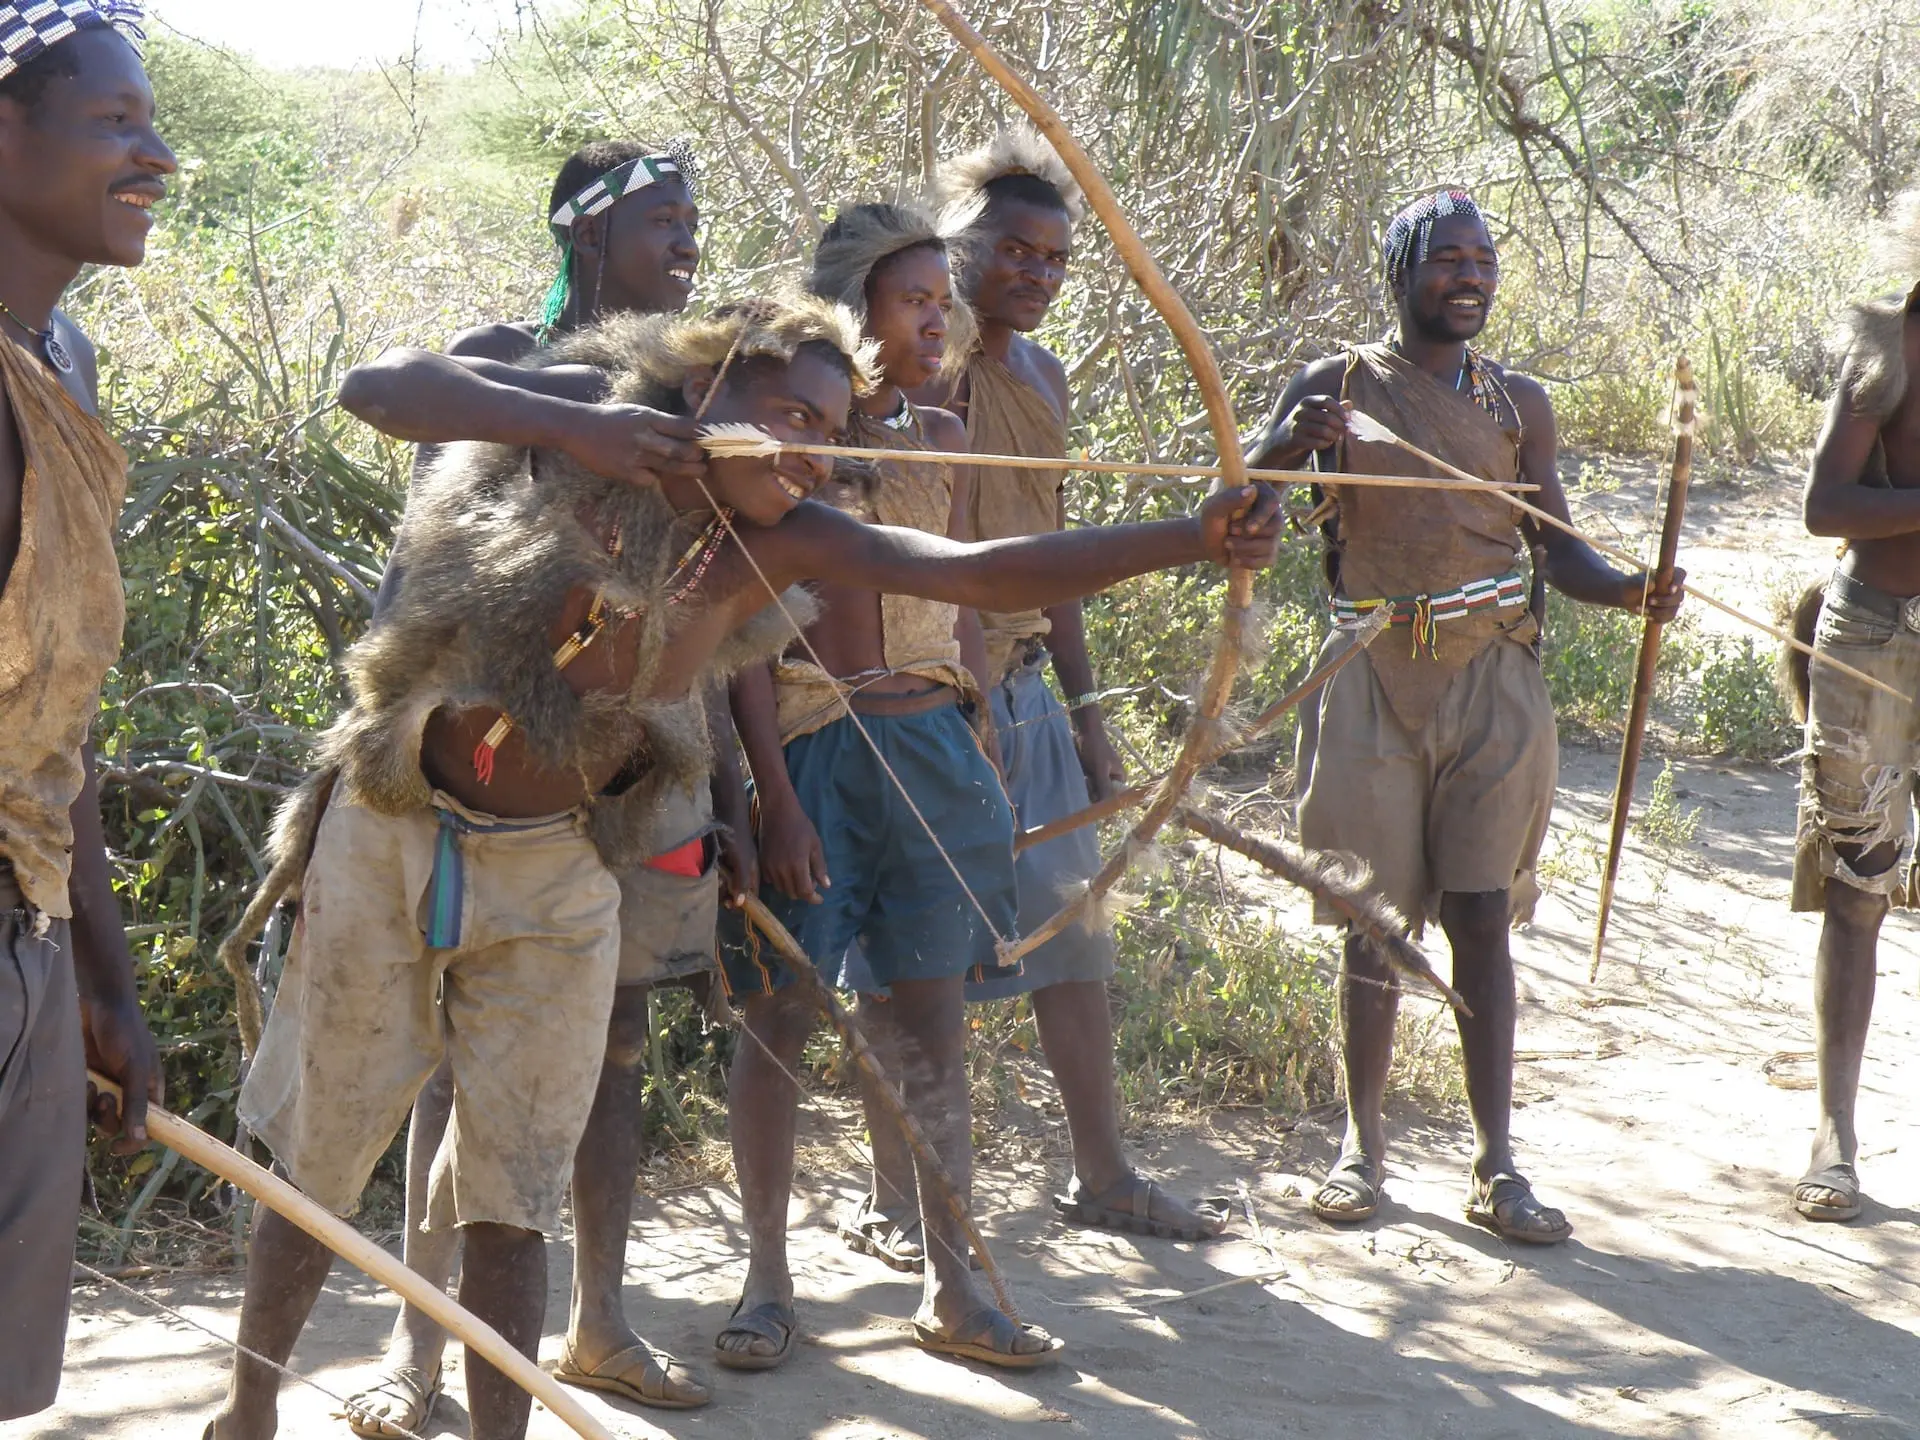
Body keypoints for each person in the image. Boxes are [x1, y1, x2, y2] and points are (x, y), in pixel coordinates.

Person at [207, 292, 1284, 1440]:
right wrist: (578, 432)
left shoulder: (774, 542)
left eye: (830, 432)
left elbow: (977, 569)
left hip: (560, 864)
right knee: (320, 1164)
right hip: (395, 824)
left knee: (512, 1198)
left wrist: (1193, 538)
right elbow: (378, 387)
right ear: (708, 393)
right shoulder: (590, 414)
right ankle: (249, 1414)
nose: (809, 453)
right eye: (786, 414)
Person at [325, 138, 728, 1434]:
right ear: (581, 235)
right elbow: (382, 392)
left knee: (608, 1052)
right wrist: (572, 420)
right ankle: (418, 1348)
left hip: (631, 756)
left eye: (692, 222)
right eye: (661, 219)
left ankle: (598, 1327)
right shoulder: (500, 357)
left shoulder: (700, 388)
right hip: (481, 763)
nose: (685, 243)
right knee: (455, 1051)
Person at [1251, 189, 1683, 1244]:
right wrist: (1282, 444)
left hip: (1493, 674)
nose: (1470, 276)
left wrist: (1630, 588)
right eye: (1447, 257)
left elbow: (1557, 549)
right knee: (1372, 925)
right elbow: (1247, 507)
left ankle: (1497, 1166)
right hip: (1366, 671)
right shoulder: (1335, 386)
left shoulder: (1514, 405)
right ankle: (1363, 1150)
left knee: (1482, 917)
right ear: (1400, 269)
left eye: (1484, 258)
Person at [866, 128, 1229, 1249]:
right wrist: (964, 703)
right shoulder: (933, 365)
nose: (1033, 272)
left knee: (1072, 933)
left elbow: (1051, 548)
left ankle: (1103, 1173)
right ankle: (898, 1200)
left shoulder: (1043, 373)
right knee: (915, 951)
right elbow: (956, 557)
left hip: (1021, 686)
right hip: (935, 686)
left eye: (1054, 258)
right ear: (957, 249)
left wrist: (1085, 707)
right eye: (1010, 250)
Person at [716, 203, 1050, 1371]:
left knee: (931, 1025)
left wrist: (984, 748)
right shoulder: (790, 444)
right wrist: (778, 797)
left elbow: (958, 601)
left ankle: (957, 1283)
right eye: (914, 300)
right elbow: (746, 635)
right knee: (781, 1019)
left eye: (940, 301)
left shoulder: (943, 436)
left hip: (936, 751)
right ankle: (766, 1282)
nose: (937, 319)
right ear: (855, 309)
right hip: (817, 752)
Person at [0, 3, 170, 1421]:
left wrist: (100, 978)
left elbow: (60, 717)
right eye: (116, 122)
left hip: (27, 927)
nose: (156, 154)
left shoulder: (62, 365)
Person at [1789, 192, 1920, 1224]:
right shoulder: (1887, 342)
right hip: (1874, 627)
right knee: (1858, 879)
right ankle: (1834, 1136)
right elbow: (1825, 508)